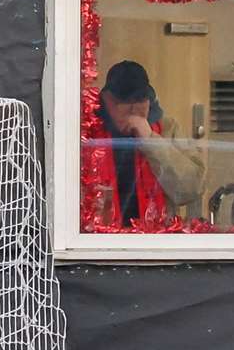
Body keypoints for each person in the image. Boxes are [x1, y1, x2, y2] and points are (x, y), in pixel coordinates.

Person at [85, 60, 205, 229]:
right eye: (125, 101)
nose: (134, 109)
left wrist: (150, 140)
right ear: (107, 100)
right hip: (102, 242)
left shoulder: (167, 128)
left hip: (156, 241)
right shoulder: (88, 133)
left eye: (141, 100)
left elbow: (191, 189)